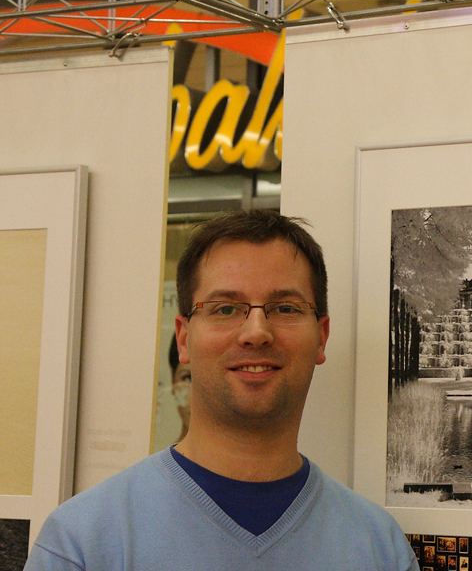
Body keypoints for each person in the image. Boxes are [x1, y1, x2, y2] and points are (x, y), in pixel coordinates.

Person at [25, 210, 419, 570]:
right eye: (225, 309)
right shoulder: (81, 544)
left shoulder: (380, 549)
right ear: (183, 339)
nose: (256, 333)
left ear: (321, 337)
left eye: (285, 308)